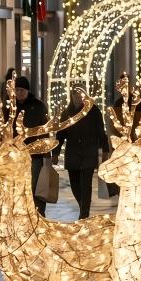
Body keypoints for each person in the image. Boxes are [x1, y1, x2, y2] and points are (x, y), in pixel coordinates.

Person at [54, 88, 110, 219]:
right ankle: (82, 206)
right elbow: (60, 135)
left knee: (86, 185)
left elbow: (101, 131)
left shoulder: (93, 111)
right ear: (71, 97)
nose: (78, 99)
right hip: (73, 154)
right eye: (75, 96)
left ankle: (84, 213)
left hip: (88, 153)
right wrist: (55, 153)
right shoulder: (67, 113)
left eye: (80, 96)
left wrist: (105, 150)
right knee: (75, 185)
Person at [12, 76, 52, 216]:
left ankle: (39, 214)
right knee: (18, 187)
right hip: (15, 155)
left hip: (35, 154)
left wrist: (47, 154)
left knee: (35, 186)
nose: (19, 92)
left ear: (27, 90)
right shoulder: (11, 107)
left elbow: (44, 130)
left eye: (22, 89)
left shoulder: (38, 106)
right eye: (16, 89)